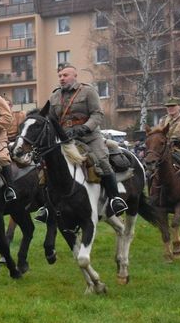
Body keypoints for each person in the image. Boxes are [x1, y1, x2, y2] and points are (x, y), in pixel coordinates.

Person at [48, 64, 127, 215]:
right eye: (60, 76)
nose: (62, 79)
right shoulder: (54, 96)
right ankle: (47, 205)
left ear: (74, 76)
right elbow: (51, 119)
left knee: (102, 160)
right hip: (66, 139)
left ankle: (115, 199)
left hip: (89, 137)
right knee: (48, 165)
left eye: (65, 75)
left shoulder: (88, 91)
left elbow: (97, 114)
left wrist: (84, 128)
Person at [158, 96, 180, 190]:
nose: (170, 108)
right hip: (166, 152)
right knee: (150, 172)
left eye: (173, 106)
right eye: (168, 106)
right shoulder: (163, 120)